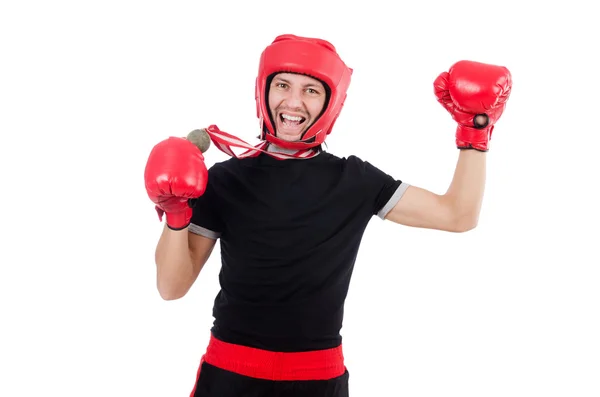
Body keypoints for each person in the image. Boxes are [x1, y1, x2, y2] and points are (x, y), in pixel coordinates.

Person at [144, 34, 512, 397]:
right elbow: (171, 288)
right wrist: (176, 212)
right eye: (283, 85)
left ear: (330, 103)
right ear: (263, 91)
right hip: (230, 374)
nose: (293, 101)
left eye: (311, 91)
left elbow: (458, 215)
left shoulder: (354, 180)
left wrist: (474, 131)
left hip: (317, 379)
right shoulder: (225, 179)